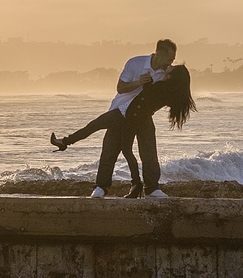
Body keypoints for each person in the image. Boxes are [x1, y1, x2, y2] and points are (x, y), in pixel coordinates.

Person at [46, 38, 177, 198]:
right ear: (158, 55)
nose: (170, 63)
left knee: (149, 152)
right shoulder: (135, 63)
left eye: (173, 60)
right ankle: (101, 187)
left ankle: (152, 189)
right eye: (169, 60)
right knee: (109, 151)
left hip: (142, 117)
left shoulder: (165, 74)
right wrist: (138, 82)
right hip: (120, 112)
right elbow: (120, 88)